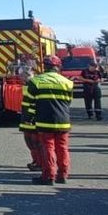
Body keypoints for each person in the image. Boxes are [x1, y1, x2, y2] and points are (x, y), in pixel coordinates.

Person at [26, 55, 75, 185]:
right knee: (63, 147)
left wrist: (28, 119)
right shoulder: (67, 82)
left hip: (44, 121)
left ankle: (48, 176)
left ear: (44, 66)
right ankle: (63, 175)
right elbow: (68, 101)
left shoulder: (35, 82)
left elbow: (30, 104)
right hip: (63, 120)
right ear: (58, 67)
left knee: (48, 147)